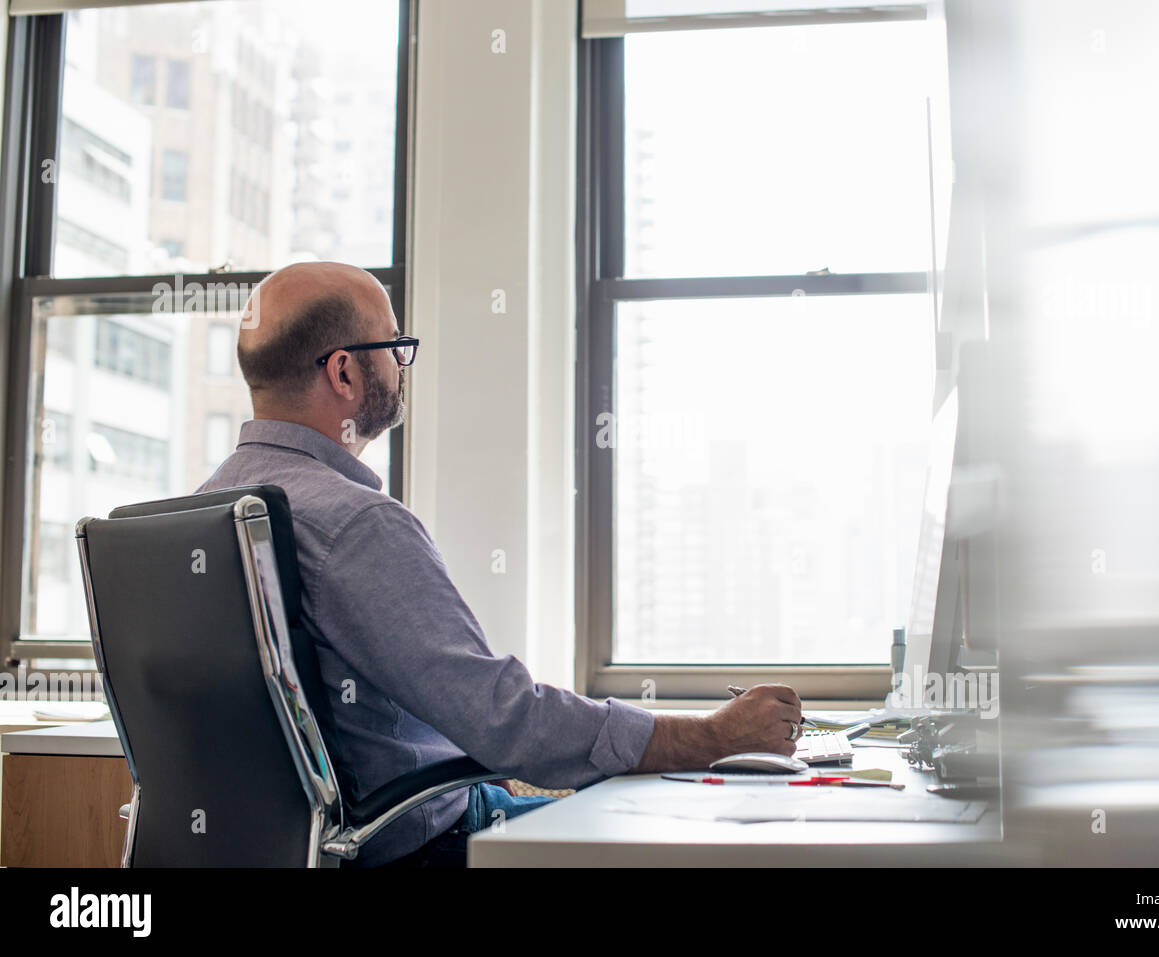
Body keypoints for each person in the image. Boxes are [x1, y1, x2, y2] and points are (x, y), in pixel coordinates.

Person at [199, 261, 804, 867]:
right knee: (679, 837)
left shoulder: (198, 516)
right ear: (345, 371)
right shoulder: (354, 524)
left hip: (305, 848)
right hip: (422, 847)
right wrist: (710, 738)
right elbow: (507, 721)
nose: (403, 366)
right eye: (396, 347)